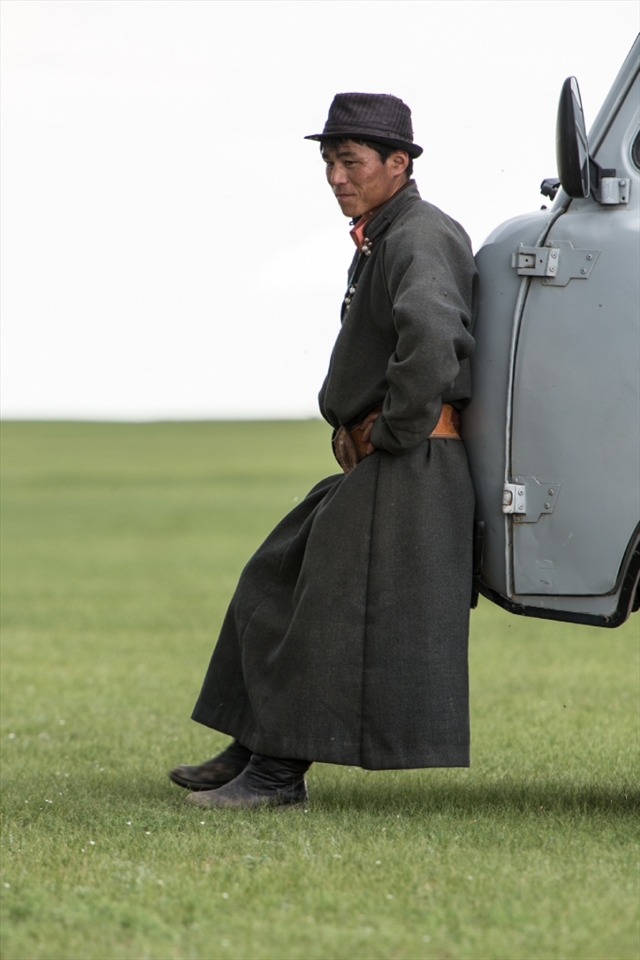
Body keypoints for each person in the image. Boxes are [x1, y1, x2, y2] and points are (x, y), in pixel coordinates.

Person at [169, 92, 478, 810]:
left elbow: (432, 343)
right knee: (274, 575)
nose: (337, 177)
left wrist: (392, 433)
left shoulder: (418, 236)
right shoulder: (387, 231)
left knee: (323, 609)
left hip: (412, 461)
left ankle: (277, 776)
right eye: (329, 163)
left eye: (352, 161)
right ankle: (251, 743)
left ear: (398, 164)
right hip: (391, 456)